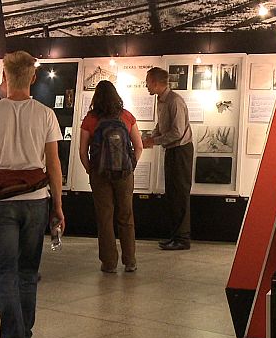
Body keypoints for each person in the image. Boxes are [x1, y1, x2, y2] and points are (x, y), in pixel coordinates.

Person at [0, 50, 64, 338]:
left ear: (4, 76)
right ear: (33, 76)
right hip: (37, 200)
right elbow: (53, 164)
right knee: (28, 272)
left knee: (5, 273)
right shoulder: (45, 114)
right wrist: (58, 206)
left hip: (1, 203)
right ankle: (25, 335)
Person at [79, 80, 142, 273]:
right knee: (126, 216)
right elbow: (138, 146)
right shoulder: (127, 116)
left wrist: (91, 170)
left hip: (100, 174)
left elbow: (83, 151)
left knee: (105, 217)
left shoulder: (90, 119)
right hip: (124, 173)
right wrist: (130, 166)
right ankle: (130, 261)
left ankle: (109, 263)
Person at [142, 67, 193, 251]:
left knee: (179, 193)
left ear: (156, 82)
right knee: (172, 194)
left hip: (181, 151)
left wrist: (153, 141)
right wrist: (151, 137)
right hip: (172, 150)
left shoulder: (174, 101)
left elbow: (177, 132)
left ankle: (182, 239)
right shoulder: (161, 100)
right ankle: (175, 236)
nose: (146, 85)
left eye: (147, 81)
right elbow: (162, 125)